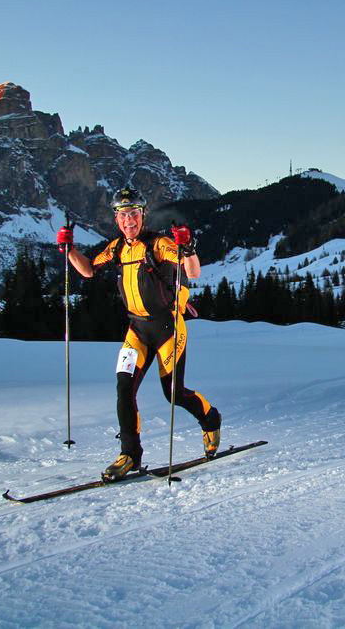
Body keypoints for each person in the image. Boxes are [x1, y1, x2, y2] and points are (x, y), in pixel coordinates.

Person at [57, 187, 221, 481]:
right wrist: (69, 250)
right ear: (116, 219)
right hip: (137, 329)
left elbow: (192, 272)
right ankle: (130, 455)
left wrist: (188, 246)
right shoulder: (117, 247)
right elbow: (88, 271)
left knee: (174, 394)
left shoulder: (157, 244)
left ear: (142, 214)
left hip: (167, 327)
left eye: (133, 213)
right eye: (122, 215)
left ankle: (210, 419)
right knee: (124, 388)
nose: (128, 220)